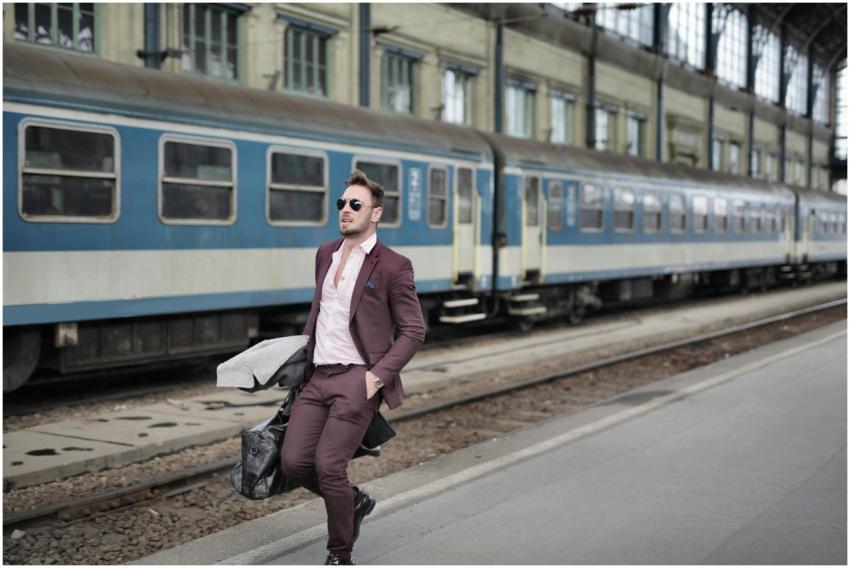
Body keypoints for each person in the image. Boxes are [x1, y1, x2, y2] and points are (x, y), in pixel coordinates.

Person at [281, 170, 426, 565]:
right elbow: (321, 315)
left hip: (356, 379)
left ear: (375, 214)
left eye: (355, 205)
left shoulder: (394, 266)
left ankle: (339, 554)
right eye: (342, 204)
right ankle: (355, 501)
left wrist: (375, 377)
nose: (345, 210)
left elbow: (414, 330)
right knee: (294, 462)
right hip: (318, 377)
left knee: (329, 466)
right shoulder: (325, 253)